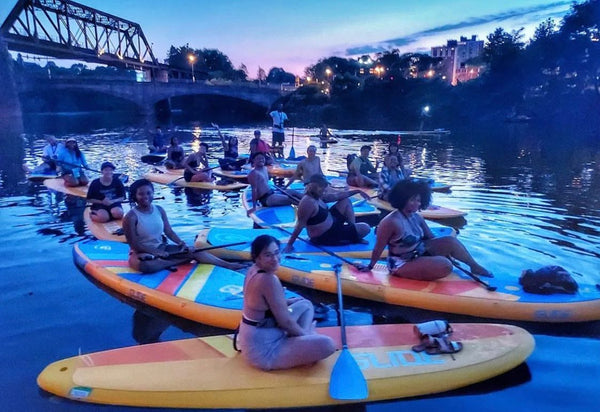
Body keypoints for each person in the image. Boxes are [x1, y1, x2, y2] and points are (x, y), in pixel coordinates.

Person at [238, 234, 336, 370]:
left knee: (305, 304)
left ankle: (301, 339)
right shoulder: (268, 280)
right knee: (328, 345)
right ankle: (306, 336)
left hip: (260, 332)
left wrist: (288, 301)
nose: (275, 259)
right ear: (257, 257)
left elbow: (262, 302)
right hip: (264, 351)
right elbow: (286, 323)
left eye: (277, 253)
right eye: (268, 255)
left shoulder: (253, 270)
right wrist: (306, 338)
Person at [366, 180, 491, 280]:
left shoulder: (417, 217)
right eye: (413, 200)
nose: (418, 204)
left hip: (420, 252)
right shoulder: (390, 222)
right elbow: (378, 248)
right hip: (401, 263)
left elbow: (431, 239)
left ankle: (474, 266)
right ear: (402, 199)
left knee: (450, 241)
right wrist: (370, 266)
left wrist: (447, 253)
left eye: (419, 200)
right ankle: (421, 268)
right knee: (446, 266)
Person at [123, 179, 247, 273]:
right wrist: (155, 252)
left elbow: (169, 232)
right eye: (141, 194)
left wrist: (181, 243)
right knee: (146, 266)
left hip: (162, 248)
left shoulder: (159, 210)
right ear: (135, 196)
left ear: (153, 193)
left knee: (194, 251)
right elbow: (134, 245)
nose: (146, 197)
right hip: (142, 253)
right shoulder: (131, 217)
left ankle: (228, 265)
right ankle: (174, 261)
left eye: (149, 193)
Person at [284, 174, 371, 252]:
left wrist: (357, 191)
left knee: (346, 201)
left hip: (333, 224)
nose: (325, 189)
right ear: (315, 187)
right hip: (325, 236)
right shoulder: (308, 202)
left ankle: (353, 232)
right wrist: (289, 244)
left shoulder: (319, 196)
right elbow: (300, 225)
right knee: (365, 228)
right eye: (323, 186)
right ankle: (353, 235)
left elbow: (338, 196)